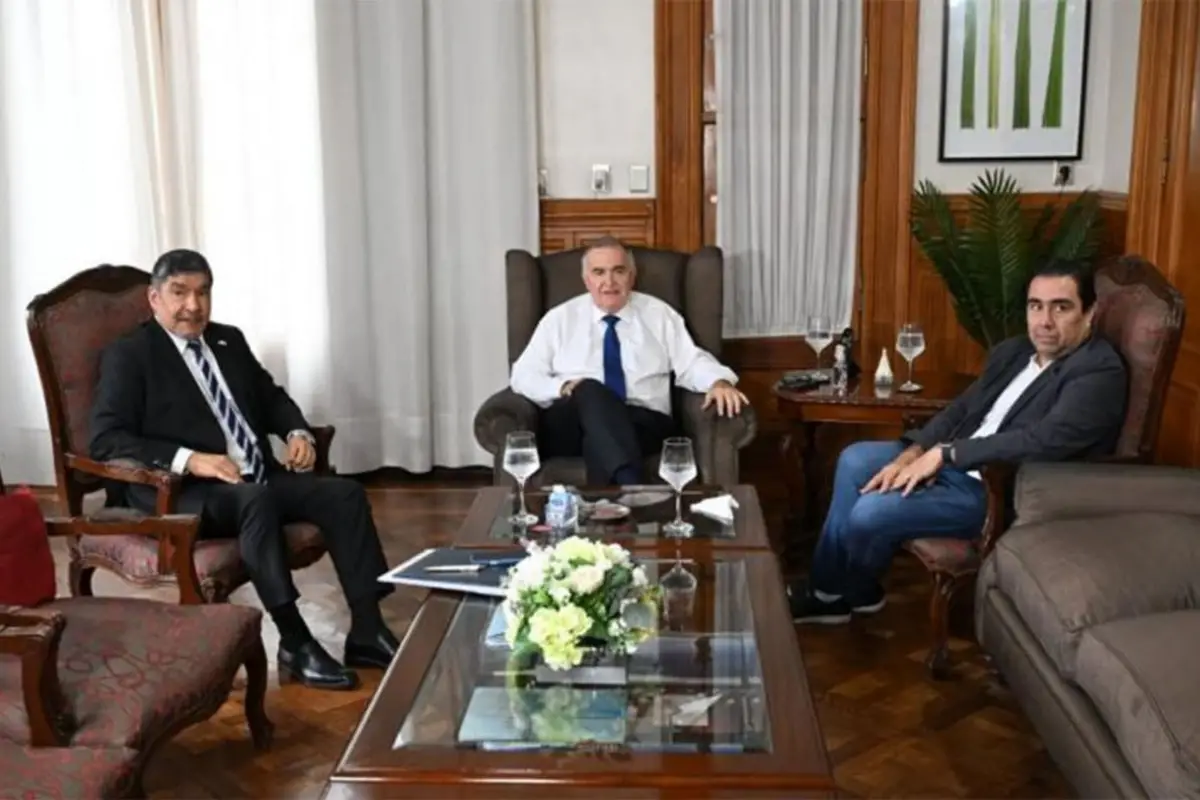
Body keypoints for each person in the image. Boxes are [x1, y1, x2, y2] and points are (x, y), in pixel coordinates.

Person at [89, 249, 398, 691]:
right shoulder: (131, 355)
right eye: (179, 293)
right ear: (154, 298)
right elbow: (106, 438)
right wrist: (189, 458)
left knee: (343, 495)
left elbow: (271, 397)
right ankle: (295, 640)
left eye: (203, 293)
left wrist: (296, 432)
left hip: (257, 477)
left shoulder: (227, 340)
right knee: (257, 501)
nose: (193, 305)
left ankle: (367, 629)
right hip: (184, 491)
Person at [791, 258, 1128, 624]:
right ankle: (832, 591)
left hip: (997, 488)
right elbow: (961, 409)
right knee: (855, 458)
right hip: (956, 463)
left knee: (870, 513)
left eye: (1061, 308)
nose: (1044, 321)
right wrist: (915, 452)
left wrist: (947, 454)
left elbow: (1045, 440)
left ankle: (848, 592)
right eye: (1036, 306)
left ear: (1089, 313)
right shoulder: (1014, 352)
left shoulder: (1098, 371)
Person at [509, 237, 749, 485]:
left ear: (631, 277)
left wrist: (718, 381)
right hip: (572, 424)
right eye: (599, 272)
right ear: (586, 280)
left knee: (600, 437)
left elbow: (691, 361)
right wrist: (563, 387)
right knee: (589, 391)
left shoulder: (659, 314)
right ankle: (631, 489)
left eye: (618, 271)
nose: (609, 282)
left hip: (644, 422)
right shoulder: (559, 319)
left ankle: (609, 502)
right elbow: (523, 375)